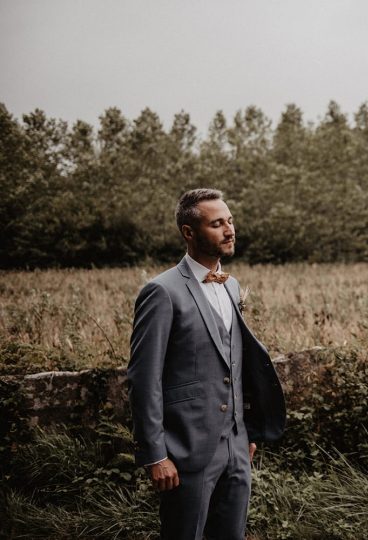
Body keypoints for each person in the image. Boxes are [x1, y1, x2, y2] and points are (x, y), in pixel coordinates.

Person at [128, 188, 286, 540]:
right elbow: (144, 378)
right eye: (217, 224)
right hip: (187, 448)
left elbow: (235, 362)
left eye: (229, 221)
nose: (229, 230)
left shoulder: (232, 286)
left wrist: (246, 429)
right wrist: (155, 455)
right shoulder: (162, 291)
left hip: (237, 444)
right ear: (189, 232)